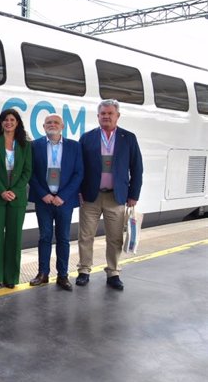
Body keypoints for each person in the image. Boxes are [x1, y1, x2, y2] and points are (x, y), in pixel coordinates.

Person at [76, 99, 143, 291]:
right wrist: (79, 191)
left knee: (115, 238)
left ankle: (113, 272)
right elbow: (79, 168)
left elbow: (137, 169)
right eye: (102, 113)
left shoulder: (128, 138)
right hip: (91, 196)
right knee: (85, 235)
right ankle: (84, 270)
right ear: (98, 116)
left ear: (117, 116)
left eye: (110, 113)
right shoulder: (87, 138)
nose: (106, 116)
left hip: (117, 196)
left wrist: (133, 195)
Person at [28, 114, 83, 291]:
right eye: (49, 123)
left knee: (63, 238)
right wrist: (43, 193)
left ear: (63, 126)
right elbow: (31, 173)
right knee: (44, 237)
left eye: (56, 122)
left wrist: (63, 196)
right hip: (43, 200)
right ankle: (43, 273)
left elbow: (78, 173)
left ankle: (63, 275)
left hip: (63, 201)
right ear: (44, 127)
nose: (52, 125)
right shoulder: (34, 146)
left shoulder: (74, 146)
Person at [0, 109, 32, 289]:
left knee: (14, 237)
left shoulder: (26, 145)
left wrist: (15, 191)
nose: (9, 122)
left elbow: (28, 171)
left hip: (17, 198)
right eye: (5, 120)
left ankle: (11, 277)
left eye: (12, 120)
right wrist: (2, 191)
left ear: (17, 123)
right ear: (1, 122)